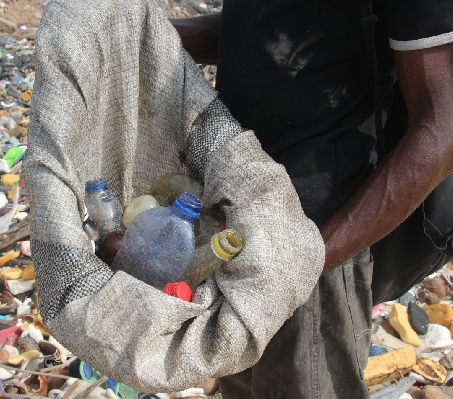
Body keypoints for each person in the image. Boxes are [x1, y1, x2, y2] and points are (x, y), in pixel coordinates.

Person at [171, 1, 453, 398]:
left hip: (314, 245)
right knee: (240, 384)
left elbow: (440, 130)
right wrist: (146, 33)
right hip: (229, 232)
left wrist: (305, 263)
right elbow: (265, 38)